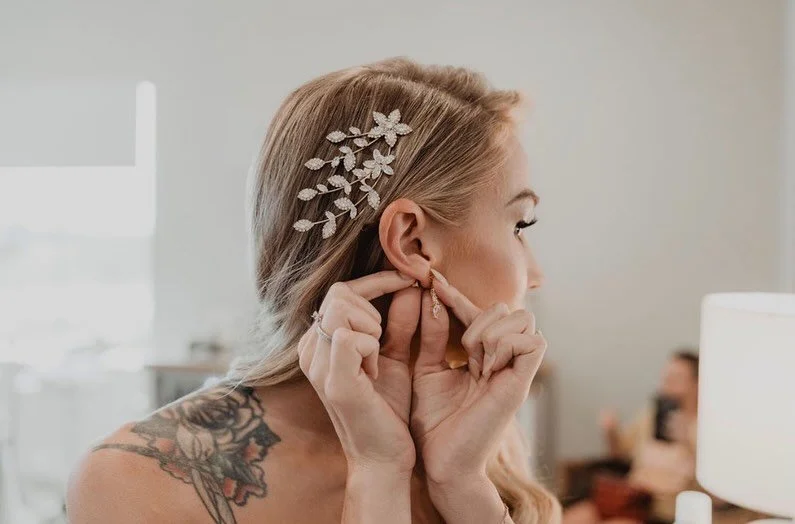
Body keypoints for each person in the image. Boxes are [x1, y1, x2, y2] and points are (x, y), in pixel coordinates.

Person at [66, 57, 561, 523]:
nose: (535, 274)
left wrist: (462, 484)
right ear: (412, 242)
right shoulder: (139, 483)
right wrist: (377, 474)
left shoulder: (475, 438)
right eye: (520, 225)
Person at [563, 350, 701, 524]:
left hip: (658, 510)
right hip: (628, 497)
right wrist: (611, 431)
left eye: (675, 379)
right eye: (666, 379)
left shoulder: (704, 429)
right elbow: (620, 454)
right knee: (570, 518)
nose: (666, 386)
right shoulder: (651, 415)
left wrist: (688, 440)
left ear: (696, 384)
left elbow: (707, 489)